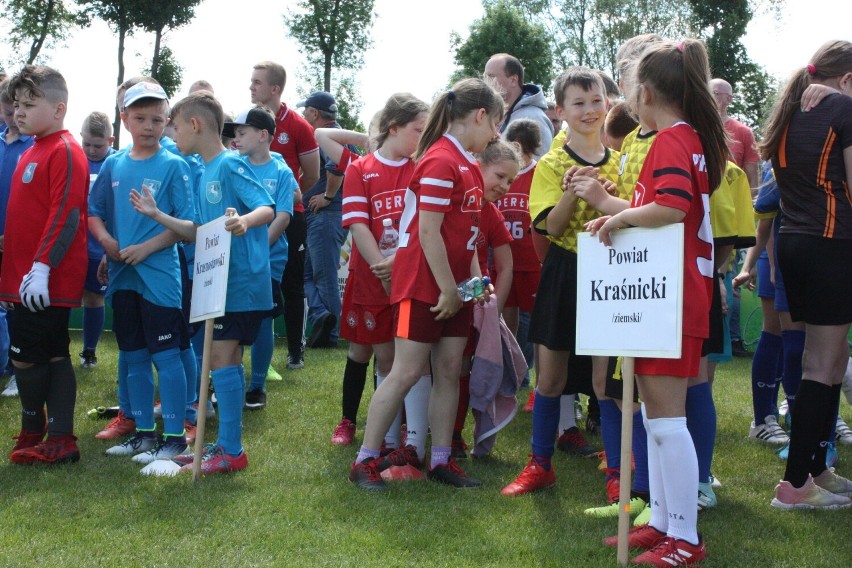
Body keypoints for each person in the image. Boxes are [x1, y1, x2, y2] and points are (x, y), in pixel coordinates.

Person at [586, 39, 729, 565]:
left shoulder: (671, 140)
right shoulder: (686, 137)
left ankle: (686, 540)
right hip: (670, 293)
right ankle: (665, 523)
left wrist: (619, 218)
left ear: (644, 94)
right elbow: (664, 208)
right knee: (653, 418)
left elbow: (670, 208)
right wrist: (615, 208)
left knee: (667, 423)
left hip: (671, 297)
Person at [348, 78, 503, 491]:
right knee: (406, 371)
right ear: (479, 115)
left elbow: (468, 234)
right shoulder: (438, 160)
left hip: (452, 285)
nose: (496, 135)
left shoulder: (468, 163)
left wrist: (474, 283)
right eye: (495, 124)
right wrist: (450, 290)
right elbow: (428, 233)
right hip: (422, 284)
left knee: (450, 370)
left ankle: (439, 460)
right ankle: (364, 460)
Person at [131, 90, 274, 475]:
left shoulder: (228, 164)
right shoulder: (202, 170)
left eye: (174, 127)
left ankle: (231, 449)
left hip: (240, 282)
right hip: (216, 281)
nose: (170, 135)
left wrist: (245, 221)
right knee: (216, 357)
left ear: (194, 125)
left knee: (222, 357)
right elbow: (196, 231)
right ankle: (225, 445)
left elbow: (266, 205)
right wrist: (157, 214)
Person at [501, 67, 620, 498]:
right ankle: (539, 464)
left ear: (608, 102)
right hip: (564, 271)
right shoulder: (551, 164)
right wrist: (574, 189)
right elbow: (550, 227)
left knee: (607, 383)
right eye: (578, 103)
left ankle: (617, 474)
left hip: (612, 275)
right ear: (560, 111)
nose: (589, 110)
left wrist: (608, 198)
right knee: (549, 379)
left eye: (596, 100)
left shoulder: (623, 159)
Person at [760, 39, 852, 509]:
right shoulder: (842, 111)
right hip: (830, 246)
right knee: (821, 362)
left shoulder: (790, 109)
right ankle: (795, 486)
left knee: (829, 362)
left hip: (795, 243)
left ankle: (816, 469)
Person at [87, 82, 194, 469]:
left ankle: (174, 437)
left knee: (166, 356)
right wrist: (106, 243)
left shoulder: (174, 165)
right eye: (140, 118)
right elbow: (94, 211)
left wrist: (147, 248)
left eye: (156, 118)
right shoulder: (114, 163)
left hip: (160, 278)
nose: (148, 126)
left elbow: (189, 226)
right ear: (125, 119)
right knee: (132, 356)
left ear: (166, 120)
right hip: (121, 276)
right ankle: (144, 434)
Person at [322, 94, 430, 454]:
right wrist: (381, 267)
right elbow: (357, 222)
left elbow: (422, 225)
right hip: (373, 276)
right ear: (393, 128)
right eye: (419, 130)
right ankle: (376, 430)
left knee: (409, 359)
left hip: (410, 273)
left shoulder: (421, 167)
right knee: (379, 355)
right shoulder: (361, 168)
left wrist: (399, 260)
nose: (423, 137)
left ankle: (401, 436)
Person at [2, 65, 88, 465]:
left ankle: (37, 430)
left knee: (25, 356)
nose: (18, 111)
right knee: (53, 354)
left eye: (29, 104)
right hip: (23, 276)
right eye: (16, 104)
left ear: (58, 109)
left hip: (42, 279)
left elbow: (67, 214)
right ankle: (58, 438)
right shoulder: (33, 148)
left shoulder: (65, 148)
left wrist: (41, 268)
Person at [222, 107, 295, 410]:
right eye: (234, 134)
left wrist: (259, 251)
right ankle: (230, 377)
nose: (236, 138)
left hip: (268, 260)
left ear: (263, 135)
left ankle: (257, 386)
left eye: (242, 132)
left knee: (263, 320)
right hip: (236, 261)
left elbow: (282, 217)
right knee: (235, 320)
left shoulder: (281, 172)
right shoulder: (235, 165)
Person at [250, 61, 319, 369]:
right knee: (255, 278)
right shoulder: (249, 122)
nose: (250, 87)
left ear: (274, 89)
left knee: (292, 284)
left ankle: (295, 350)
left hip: (292, 215)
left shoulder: (299, 126)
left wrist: (288, 197)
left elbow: (312, 174)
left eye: (257, 82)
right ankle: (247, 349)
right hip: (253, 216)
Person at [452, 139, 517, 457]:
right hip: (438, 290)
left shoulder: (491, 213)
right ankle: (411, 435)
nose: (505, 186)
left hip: (472, 299)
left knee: (461, 368)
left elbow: (506, 266)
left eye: (511, 181)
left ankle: (452, 435)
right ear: (479, 166)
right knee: (424, 367)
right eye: (500, 176)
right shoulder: (454, 200)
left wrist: (494, 310)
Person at [298, 91, 353, 348]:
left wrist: (328, 197)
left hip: (327, 214)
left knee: (323, 275)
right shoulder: (340, 134)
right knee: (308, 275)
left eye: (305, 110)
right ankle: (321, 317)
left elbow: (337, 165)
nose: (303, 115)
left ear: (315, 113)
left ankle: (329, 335)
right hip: (323, 216)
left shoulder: (329, 137)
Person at [0, 78, 35, 399]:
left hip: (19, 240)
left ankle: (15, 367)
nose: (15, 116)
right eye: (9, 110)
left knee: (15, 305)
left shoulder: (34, 148)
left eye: (21, 109)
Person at [78, 111, 115, 369]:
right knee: (65, 297)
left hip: (99, 248)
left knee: (94, 298)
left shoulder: (117, 163)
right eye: (87, 143)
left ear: (111, 141)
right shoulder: (73, 158)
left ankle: (89, 351)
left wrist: (107, 246)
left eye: (98, 145)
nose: (91, 150)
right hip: (72, 245)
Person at [484, 53, 553, 157]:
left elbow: (538, 168)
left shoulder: (533, 118)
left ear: (513, 80)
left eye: (491, 77)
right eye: (485, 77)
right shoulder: (495, 116)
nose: (485, 82)